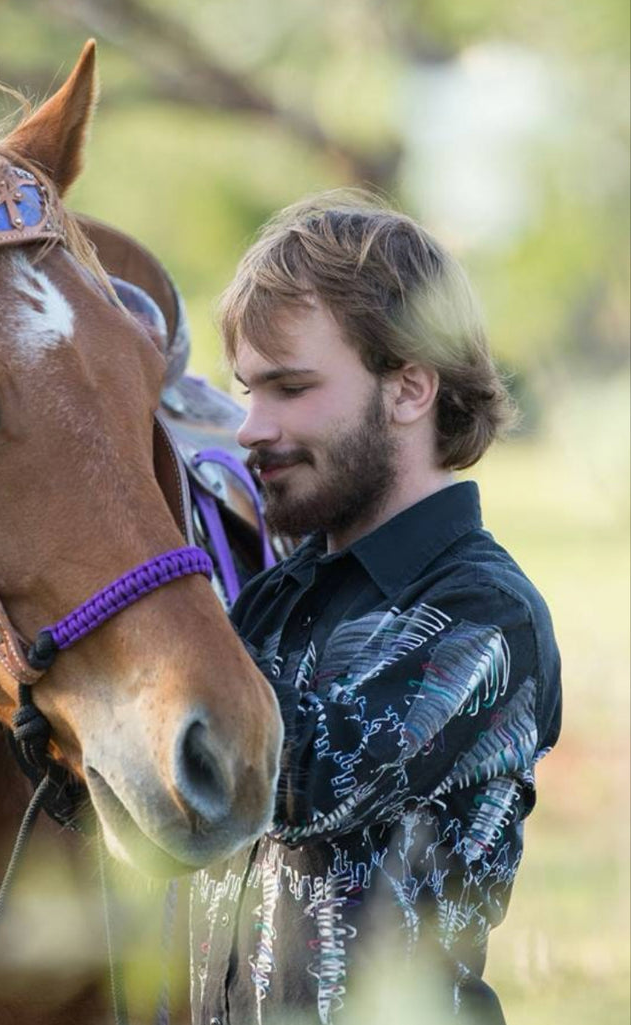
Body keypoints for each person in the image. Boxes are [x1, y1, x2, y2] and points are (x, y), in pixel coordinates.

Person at [189, 192, 561, 1025]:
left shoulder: (486, 616)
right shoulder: (275, 600)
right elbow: (176, 825)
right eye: (247, 390)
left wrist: (150, 649)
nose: (250, 427)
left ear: (409, 390)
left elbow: (303, 778)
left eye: (289, 388)